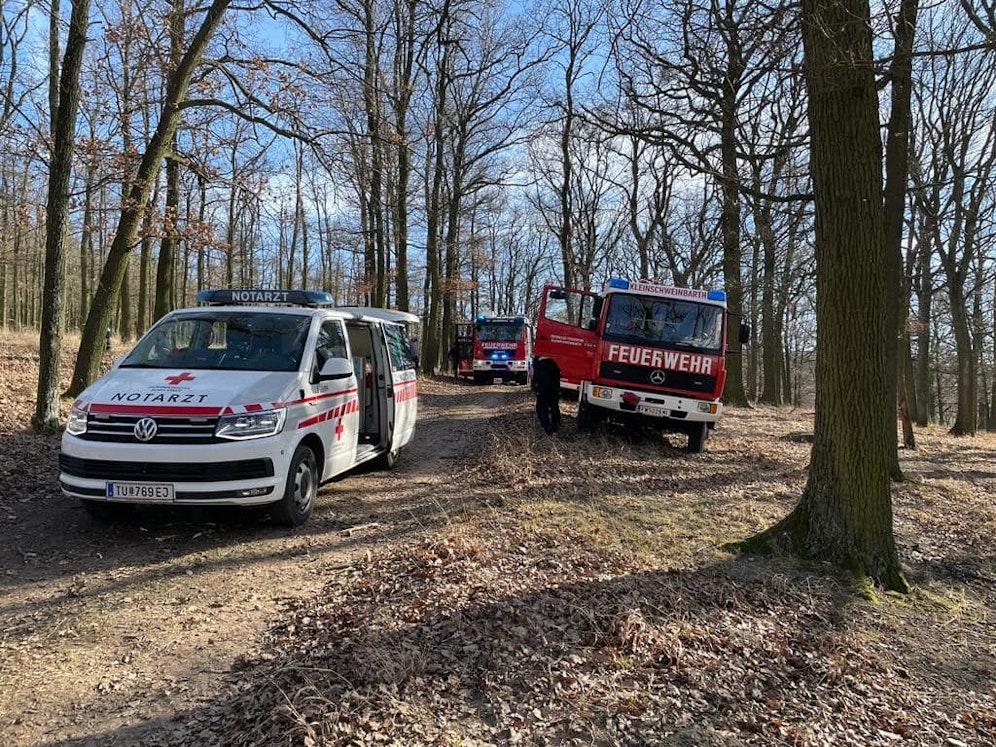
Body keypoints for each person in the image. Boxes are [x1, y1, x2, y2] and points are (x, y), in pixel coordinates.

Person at [531, 355, 561, 435]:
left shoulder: (538, 364)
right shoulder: (554, 363)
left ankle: (547, 427)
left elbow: (535, 377)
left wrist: (535, 388)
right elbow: (558, 376)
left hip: (542, 390)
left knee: (541, 408)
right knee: (554, 407)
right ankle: (555, 426)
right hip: (554, 390)